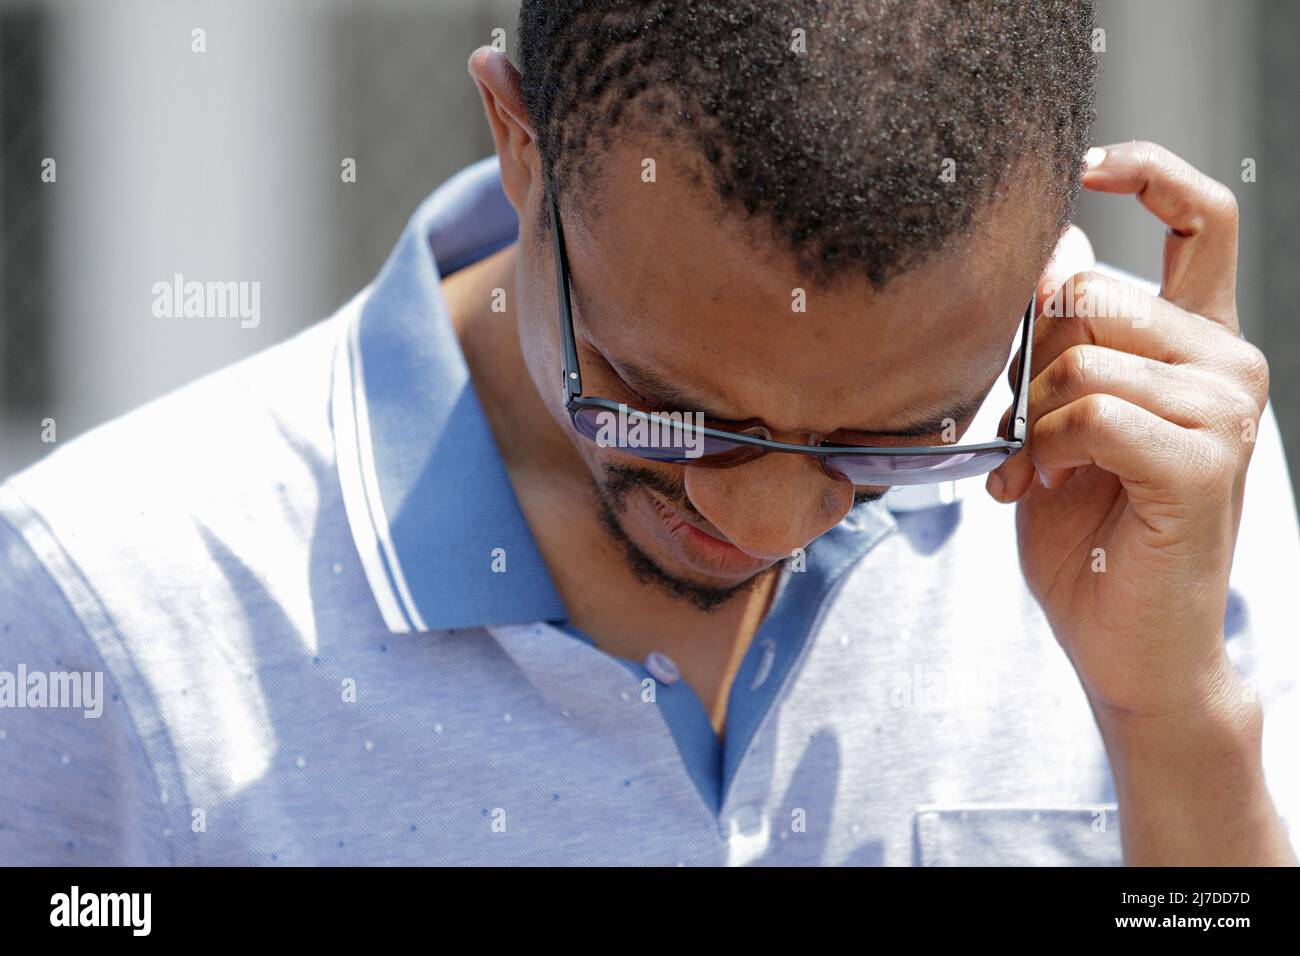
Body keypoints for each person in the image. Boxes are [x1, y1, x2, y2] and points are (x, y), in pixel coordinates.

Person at [1, 0, 1296, 866]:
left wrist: (1171, 718)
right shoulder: (104, 602)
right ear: (520, 143)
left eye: (901, 436)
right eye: (669, 408)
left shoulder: (1148, 469)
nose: (766, 522)